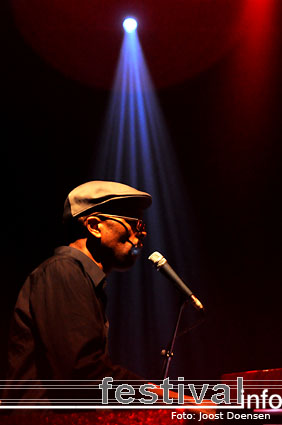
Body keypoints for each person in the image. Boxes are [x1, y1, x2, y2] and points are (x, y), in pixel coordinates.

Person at [2, 181, 152, 405]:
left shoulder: (81, 278)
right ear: (94, 226)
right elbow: (82, 372)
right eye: (134, 223)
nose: (142, 232)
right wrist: (162, 396)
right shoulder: (63, 271)